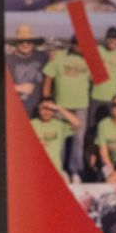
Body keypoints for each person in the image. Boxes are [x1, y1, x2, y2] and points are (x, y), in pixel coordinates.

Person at [41, 35, 92, 183]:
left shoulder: (88, 60)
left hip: (81, 105)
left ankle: (75, 171)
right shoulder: (58, 57)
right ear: (72, 44)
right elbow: (48, 79)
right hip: (61, 105)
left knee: (78, 139)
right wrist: (46, 99)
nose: (80, 47)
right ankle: (60, 170)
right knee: (61, 139)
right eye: (77, 44)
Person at [29, 98, 80, 179]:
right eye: (44, 109)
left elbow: (77, 123)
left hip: (55, 170)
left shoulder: (59, 125)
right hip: (36, 170)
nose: (46, 112)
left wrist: (59, 108)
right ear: (39, 109)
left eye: (50, 109)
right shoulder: (31, 124)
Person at [6, 23, 48, 118]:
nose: (25, 44)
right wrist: (16, 88)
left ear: (33, 42)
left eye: (28, 41)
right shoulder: (8, 59)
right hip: (16, 110)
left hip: (39, 112)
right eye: (21, 41)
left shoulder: (43, 56)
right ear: (15, 43)